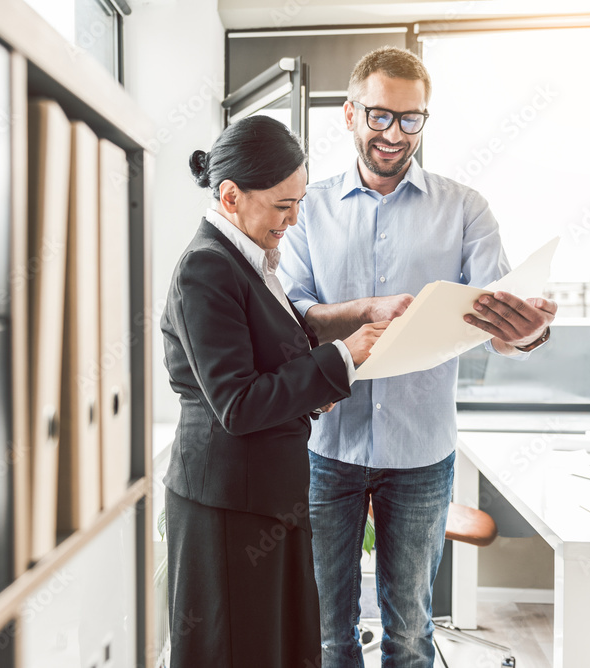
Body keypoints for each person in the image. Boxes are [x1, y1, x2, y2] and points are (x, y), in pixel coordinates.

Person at [277, 46, 558, 668]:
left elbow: (498, 320)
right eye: (379, 116)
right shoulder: (307, 207)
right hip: (328, 445)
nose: (394, 134)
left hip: (422, 450)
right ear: (350, 114)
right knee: (328, 632)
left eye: (411, 120)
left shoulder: (464, 208)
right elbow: (289, 315)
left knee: (410, 634)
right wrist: (361, 311)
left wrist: (525, 330)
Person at [160, 115, 390, 668]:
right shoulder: (206, 269)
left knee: (275, 645)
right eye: (283, 205)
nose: (293, 220)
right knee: (236, 647)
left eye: (300, 203)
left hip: (265, 496)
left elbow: (269, 359)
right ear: (231, 195)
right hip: (227, 505)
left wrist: (317, 385)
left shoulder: (248, 259)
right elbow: (237, 404)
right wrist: (343, 357)